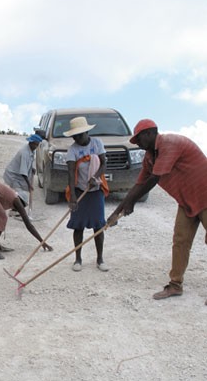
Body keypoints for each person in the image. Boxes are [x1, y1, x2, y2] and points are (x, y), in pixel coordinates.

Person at [108, 119, 207, 303]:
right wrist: (117, 212)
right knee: (180, 241)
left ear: (150, 133)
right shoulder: (150, 156)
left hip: (205, 194)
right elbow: (138, 184)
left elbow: (154, 179)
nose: (138, 144)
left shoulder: (170, 144)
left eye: (139, 140)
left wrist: (132, 204)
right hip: (187, 201)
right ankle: (175, 285)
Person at [64, 116, 110, 272]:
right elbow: (71, 174)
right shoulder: (72, 150)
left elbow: (103, 164)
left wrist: (95, 177)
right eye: (74, 136)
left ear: (87, 132)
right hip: (79, 190)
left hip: (95, 191)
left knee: (98, 226)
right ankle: (78, 259)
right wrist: (73, 197)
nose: (76, 138)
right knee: (78, 226)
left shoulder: (97, 143)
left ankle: (100, 259)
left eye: (79, 135)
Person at [0, 177, 52, 259]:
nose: (19, 210)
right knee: (2, 217)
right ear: (22, 202)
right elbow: (29, 225)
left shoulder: (10, 194)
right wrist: (42, 241)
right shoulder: (16, 200)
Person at [3, 134, 42, 213]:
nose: (36, 146)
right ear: (31, 143)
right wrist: (29, 185)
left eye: (38, 144)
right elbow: (23, 172)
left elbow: (31, 161)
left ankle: (15, 210)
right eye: (35, 144)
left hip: (18, 176)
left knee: (20, 195)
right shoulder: (24, 153)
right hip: (13, 176)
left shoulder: (31, 150)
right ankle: (14, 211)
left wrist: (32, 168)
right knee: (22, 197)